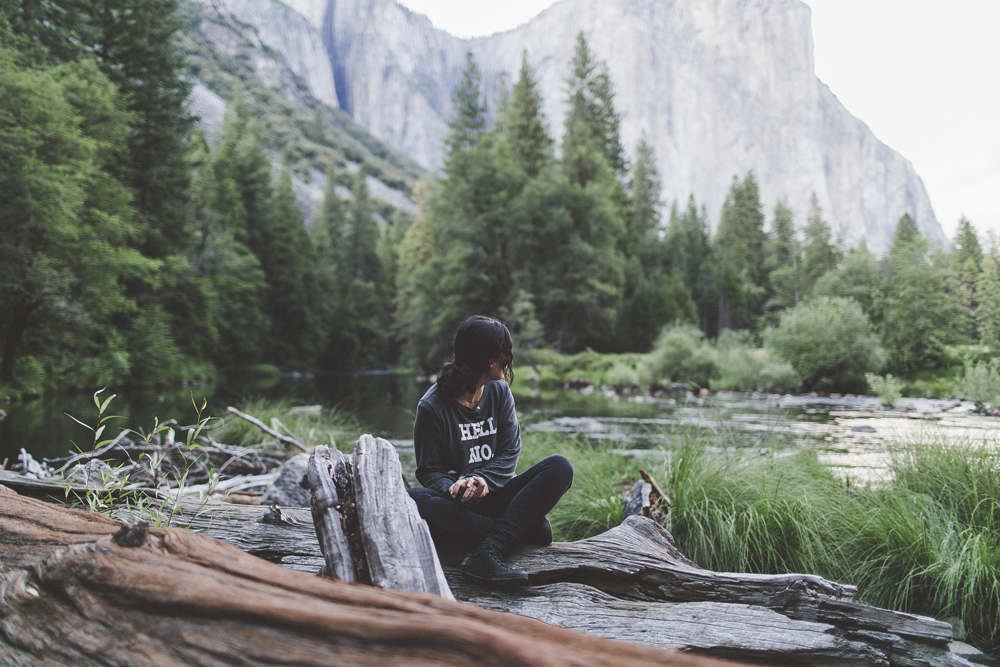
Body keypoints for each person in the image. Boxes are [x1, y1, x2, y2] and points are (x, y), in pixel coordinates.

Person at [407, 316, 573, 585]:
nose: (509, 358)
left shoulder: (500, 391)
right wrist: (456, 487)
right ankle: (515, 531)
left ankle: (489, 550)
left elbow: (510, 452)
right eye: (505, 352)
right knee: (414, 499)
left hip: (498, 497)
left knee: (560, 466)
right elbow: (429, 471)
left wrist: (483, 481)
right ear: (490, 360)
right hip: (459, 505)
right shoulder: (432, 406)